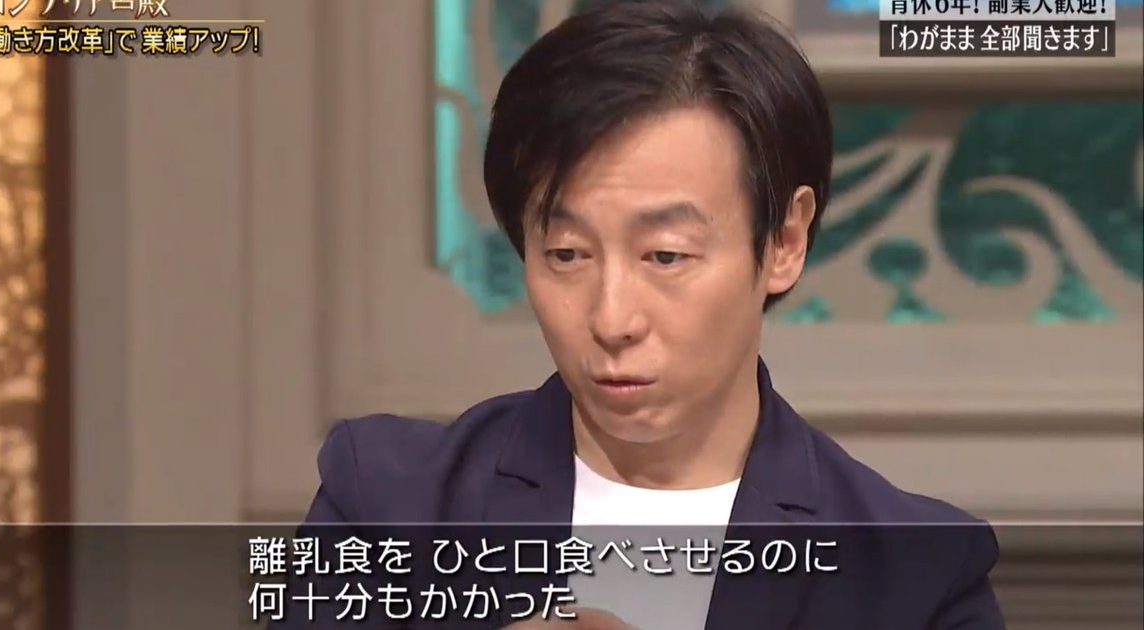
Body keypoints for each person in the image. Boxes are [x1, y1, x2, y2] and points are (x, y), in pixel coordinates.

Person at [288, 1, 1005, 628]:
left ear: (784, 241)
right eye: (567, 254)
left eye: (665, 255)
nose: (612, 319)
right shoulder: (387, 507)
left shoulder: (917, 576)